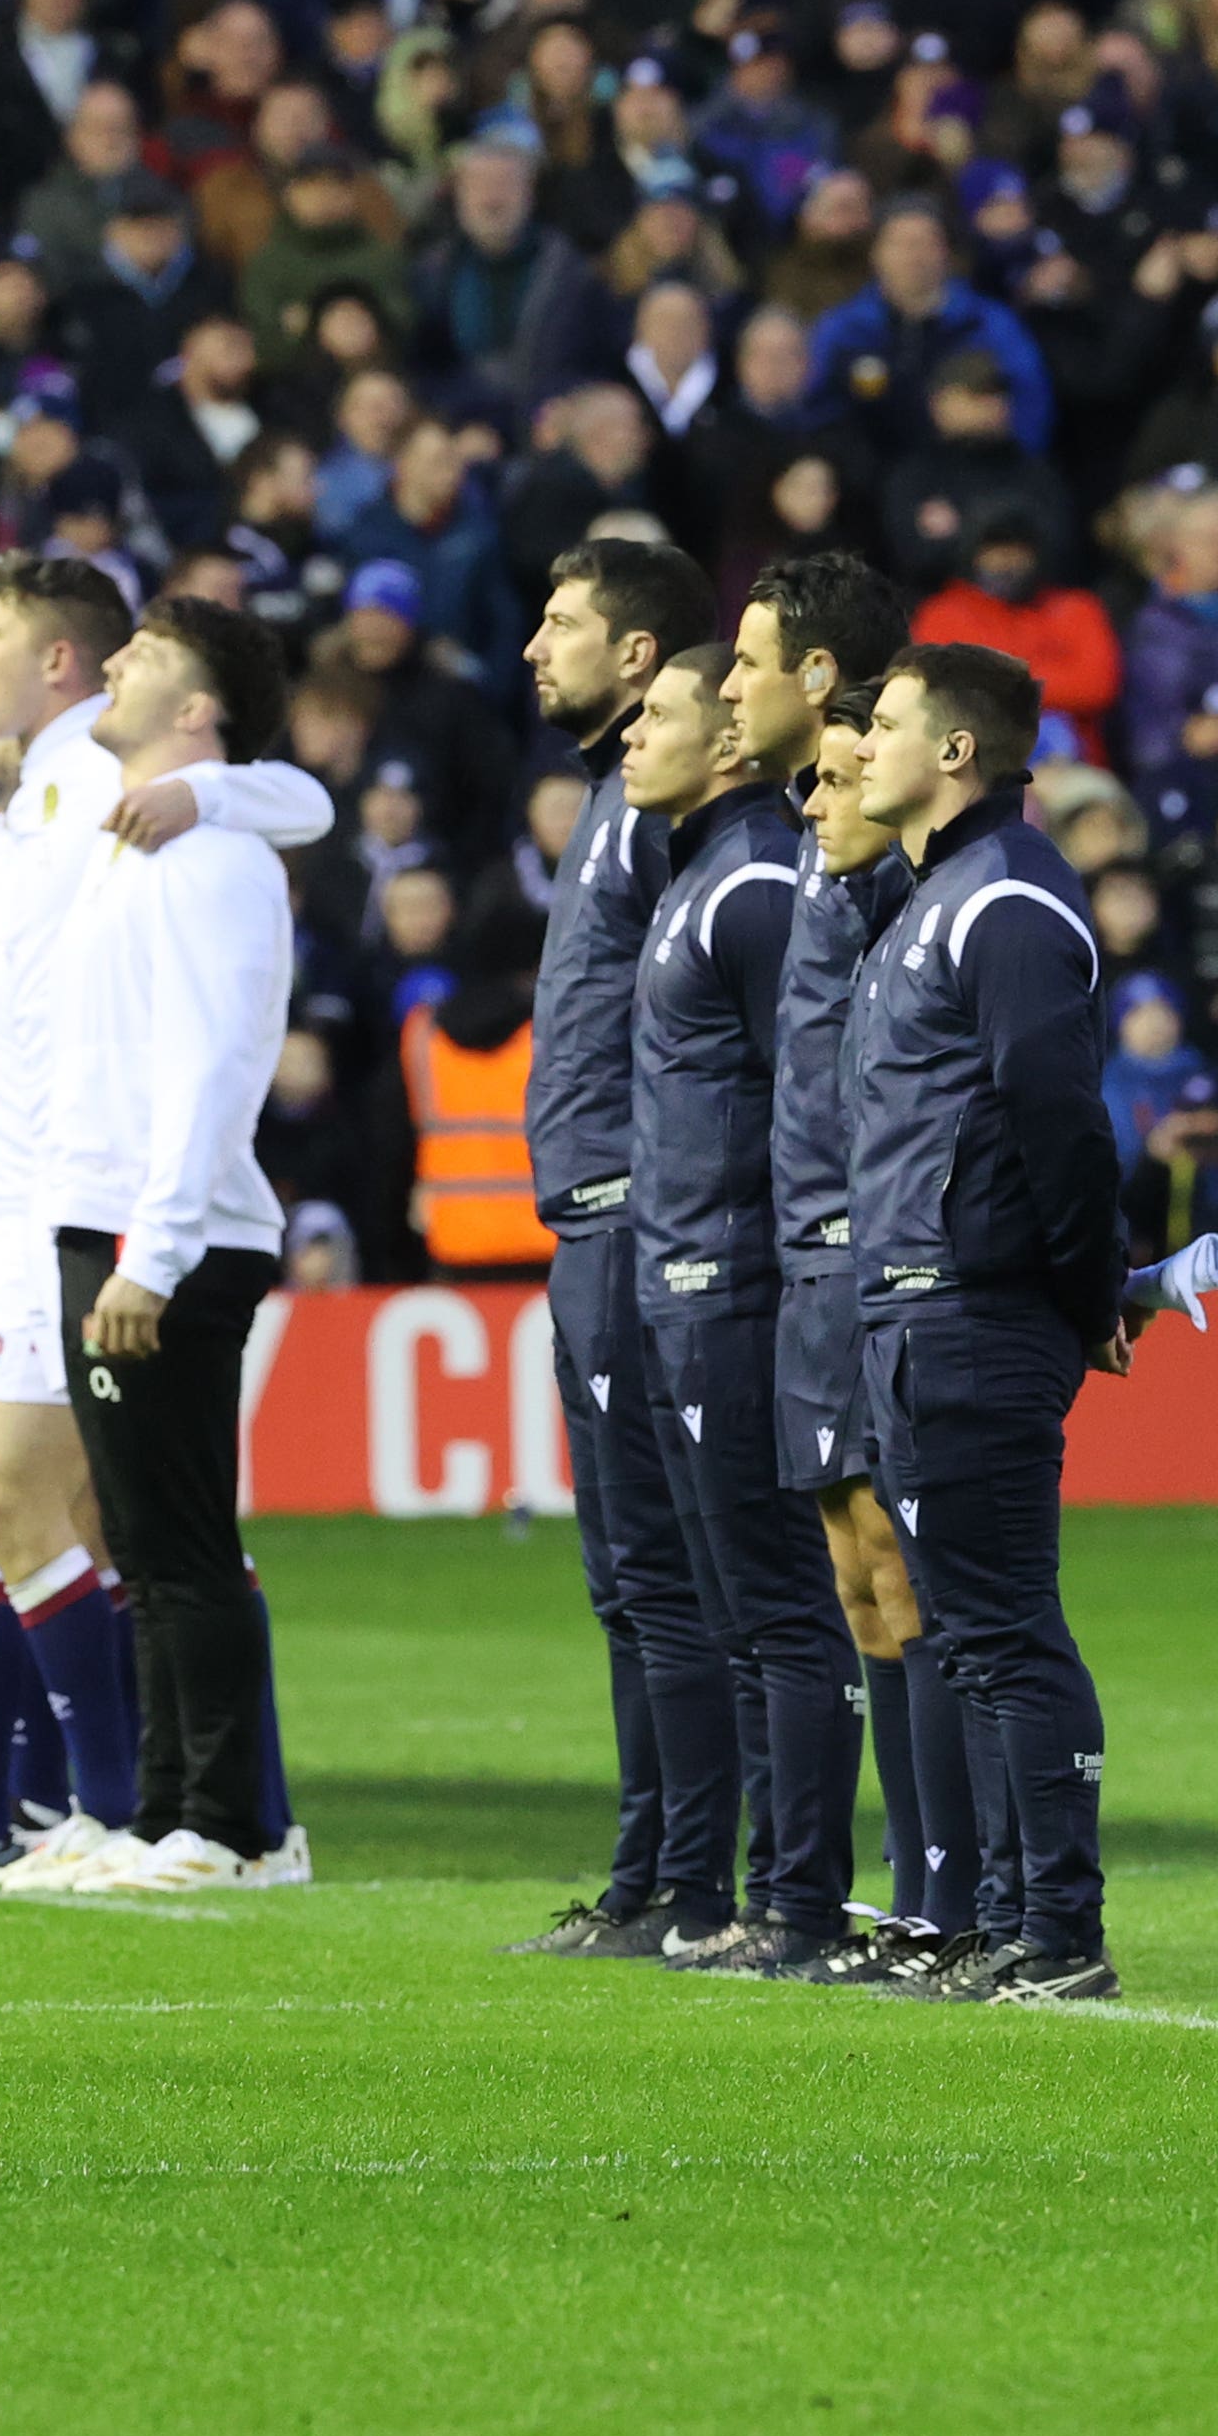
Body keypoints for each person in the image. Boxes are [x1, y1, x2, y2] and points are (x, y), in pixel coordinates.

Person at [845, 639, 1129, 2003]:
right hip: (916, 1311)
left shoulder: (1006, 903)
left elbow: (1057, 1116)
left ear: (955, 751)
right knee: (965, 1630)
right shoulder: (933, 898)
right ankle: (1013, 1923)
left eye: (886, 721)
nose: (862, 743)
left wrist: (1083, 1294)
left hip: (971, 1310)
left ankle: (1058, 1932)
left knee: (1004, 1627)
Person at [714, 551, 958, 1981]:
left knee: (910, 1576)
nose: (820, 802)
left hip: (876, 1267)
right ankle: (909, 1887)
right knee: (858, 1576)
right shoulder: (815, 859)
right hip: (807, 1262)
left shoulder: (902, 892)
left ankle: (945, 1887)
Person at [51, 598, 318, 1894]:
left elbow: (217, 1059)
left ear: (198, 711)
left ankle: (228, 1827)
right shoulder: (143, 835)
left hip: (167, 1229)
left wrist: (149, 1252)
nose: (110, 666)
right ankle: (166, 1813)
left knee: (184, 1540)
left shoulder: (209, 853)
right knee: (143, 1543)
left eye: (142, 658)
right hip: (116, 1213)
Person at [498, 530, 734, 1959]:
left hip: (644, 1227)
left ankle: (695, 1879)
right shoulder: (606, 799)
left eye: (561, 620)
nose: (536, 645)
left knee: (672, 1571)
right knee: (626, 1574)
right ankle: (650, 1870)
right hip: (591, 1224)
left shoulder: (661, 813)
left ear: (637, 655)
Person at [622, 639, 853, 1973]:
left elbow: (802, 1085)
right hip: (681, 1272)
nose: (635, 738)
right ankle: (769, 1895)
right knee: (731, 1602)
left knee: (775, 1603)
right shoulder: (698, 872)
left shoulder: (757, 876)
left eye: (659, 715)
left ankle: (799, 1901)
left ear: (724, 742)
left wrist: (785, 1261)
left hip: (736, 1281)